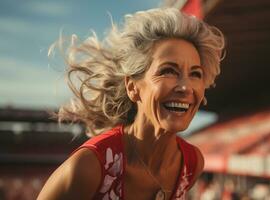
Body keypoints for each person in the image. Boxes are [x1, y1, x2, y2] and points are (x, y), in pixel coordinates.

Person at [37, 7, 225, 200]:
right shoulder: (88, 167)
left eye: (195, 74)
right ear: (132, 87)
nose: (185, 87)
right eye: (168, 71)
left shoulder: (192, 164)